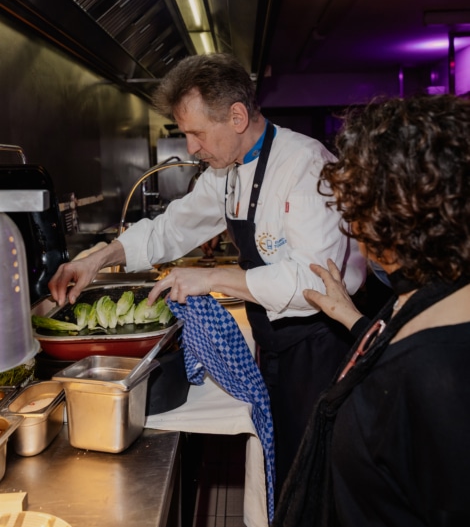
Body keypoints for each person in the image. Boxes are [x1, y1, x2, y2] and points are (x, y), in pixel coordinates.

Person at [48, 53, 366, 493]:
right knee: (287, 463)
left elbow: (314, 284)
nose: (191, 148)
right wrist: (99, 258)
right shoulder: (228, 170)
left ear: (237, 117)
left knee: (318, 470)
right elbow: (175, 226)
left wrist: (212, 278)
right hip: (275, 338)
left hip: (320, 343)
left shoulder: (306, 166)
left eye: (196, 133)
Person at [273, 93, 470, 527]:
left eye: (355, 207)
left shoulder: (439, 376)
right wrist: (352, 317)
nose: (351, 224)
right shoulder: (435, 291)